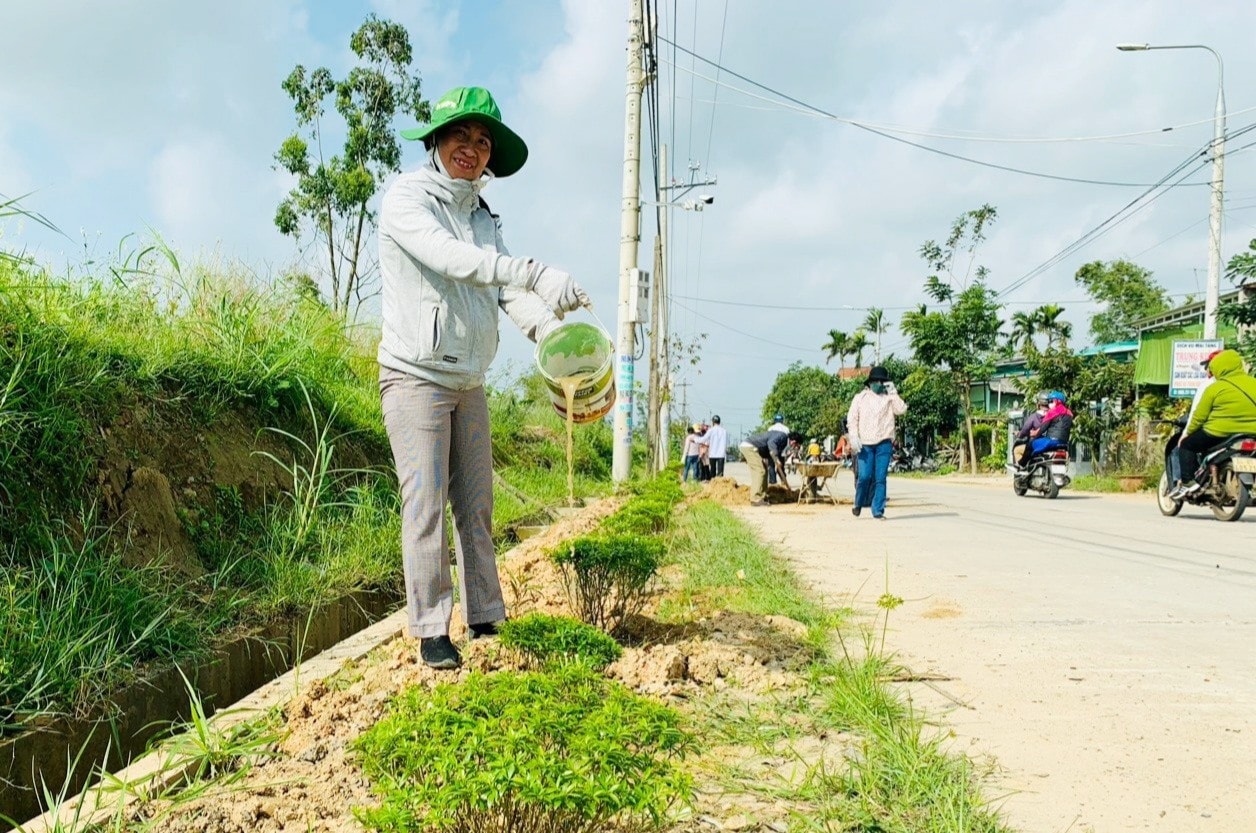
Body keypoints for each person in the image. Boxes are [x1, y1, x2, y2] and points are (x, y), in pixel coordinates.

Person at [378, 86, 589, 670]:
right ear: (437, 141)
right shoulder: (407, 199)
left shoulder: (482, 215)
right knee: (423, 504)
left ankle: (485, 616)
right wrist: (534, 269)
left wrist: (549, 330)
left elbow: (502, 289)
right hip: (414, 376)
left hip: (468, 380)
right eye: (460, 136)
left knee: (476, 504)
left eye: (482, 141)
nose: (471, 149)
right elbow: (454, 261)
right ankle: (430, 630)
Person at [1170, 349, 1256, 498]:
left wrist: (1187, 433)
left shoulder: (1214, 388)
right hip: (1251, 433)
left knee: (1186, 445)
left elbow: (1199, 417)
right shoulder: (1253, 383)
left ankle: (1188, 483)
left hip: (1218, 433)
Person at [846, 366, 907, 519]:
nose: (880, 384)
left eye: (883, 382)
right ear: (871, 382)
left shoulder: (889, 397)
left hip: (884, 443)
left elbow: (901, 410)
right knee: (865, 476)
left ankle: (878, 510)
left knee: (880, 478)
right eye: (877, 381)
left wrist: (893, 392)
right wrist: (853, 437)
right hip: (865, 444)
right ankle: (858, 502)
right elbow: (852, 419)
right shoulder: (860, 398)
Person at [1168, 350, 1221, 490]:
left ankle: (1183, 483)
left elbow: (1197, 414)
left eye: (1208, 367)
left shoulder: (1208, 385)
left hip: (1212, 430)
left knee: (1182, 446)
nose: (1206, 371)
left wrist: (1186, 432)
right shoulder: (1243, 383)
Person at [1017, 391, 1073, 470]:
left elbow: (1042, 429)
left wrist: (1035, 437)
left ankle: (1021, 466)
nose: (1049, 404)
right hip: (1063, 443)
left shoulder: (1052, 412)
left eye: (1051, 401)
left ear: (1056, 401)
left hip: (1050, 442)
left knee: (1030, 444)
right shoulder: (1069, 413)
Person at [739, 426, 793, 506]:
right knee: (760, 471)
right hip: (749, 447)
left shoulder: (783, 442)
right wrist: (776, 460)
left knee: (764, 469)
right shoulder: (783, 436)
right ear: (794, 442)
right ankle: (755, 499)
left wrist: (775, 460)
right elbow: (771, 443)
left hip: (754, 449)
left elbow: (769, 450)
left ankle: (762, 496)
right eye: (796, 446)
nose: (793, 448)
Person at [1013, 393, 1050, 467]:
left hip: (1037, 444)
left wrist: (1019, 434)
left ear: (1038, 404)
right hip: (1051, 444)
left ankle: (1022, 469)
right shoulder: (1053, 415)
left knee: (1017, 450)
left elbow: (1025, 429)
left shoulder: (1034, 417)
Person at [767, 413, 789, 484]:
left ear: (775, 420)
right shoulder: (786, 429)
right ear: (782, 420)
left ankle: (773, 483)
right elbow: (787, 442)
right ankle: (783, 481)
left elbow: (768, 440)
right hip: (781, 450)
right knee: (781, 466)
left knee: (771, 466)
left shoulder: (770, 428)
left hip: (772, 450)